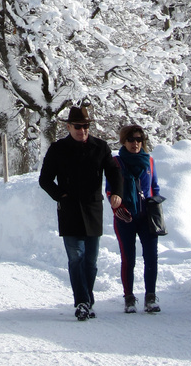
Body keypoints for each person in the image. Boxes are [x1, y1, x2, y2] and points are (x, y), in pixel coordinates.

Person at [39, 105, 123, 321]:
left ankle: (87, 297)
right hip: (69, 210)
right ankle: (82, 302)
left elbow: (114, 172)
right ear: (68, 127)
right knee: (76, 257)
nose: (82, 130)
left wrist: (117, 193)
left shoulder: (100, 147)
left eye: (86, 126)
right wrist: (61, 196)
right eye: (78, 126)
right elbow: (45, 180)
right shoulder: (58, 149)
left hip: (93, 209)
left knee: (91, 261)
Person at [110, 124, 162, 314]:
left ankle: (150, 296)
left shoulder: (149, 161)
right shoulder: (116, 163)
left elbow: (154, 187)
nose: (135, 143)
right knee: (128, 258)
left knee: (151, 256)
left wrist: (155, 205)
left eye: (139, 139)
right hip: (125, 218)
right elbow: (110, 189)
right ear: (124, 141)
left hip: (146, 217)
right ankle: (129, 297)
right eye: (131, 139)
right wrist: (117, 206)